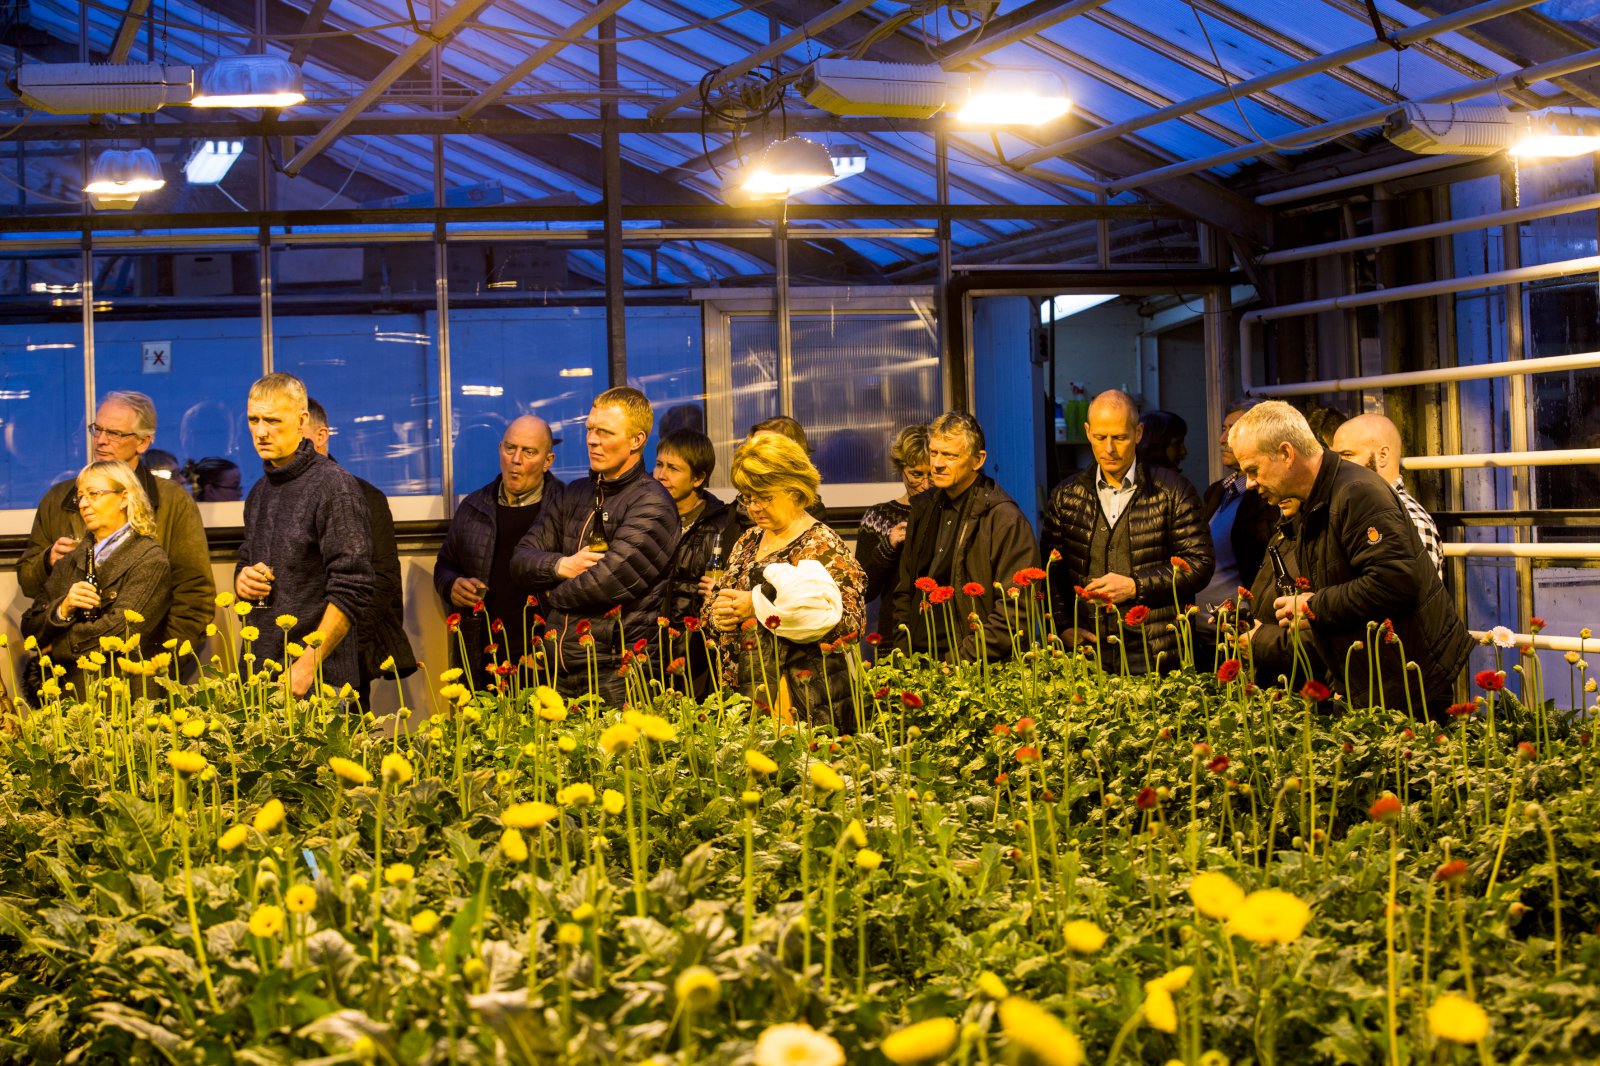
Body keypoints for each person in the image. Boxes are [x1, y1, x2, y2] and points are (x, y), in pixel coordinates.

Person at [1231, 401, 1472, 714]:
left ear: (1287, 454)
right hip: (1372, 684)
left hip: (1408, 690)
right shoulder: (1315, 501)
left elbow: (1396, 581)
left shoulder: (1357, 493)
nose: (1249, 483)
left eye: (1253, 470)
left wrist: (1311, 606)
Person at [512, 387, 679, 705]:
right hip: (559, 669)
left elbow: (603, 583)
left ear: (636, 440)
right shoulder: (573, 493)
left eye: (605, 432)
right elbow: (520, 560)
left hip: (618, 672)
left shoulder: (652, 502)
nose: (592, 440)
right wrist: (561, 566)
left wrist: (549, 593)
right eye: (590, 429)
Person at [18, 391, 213, 659]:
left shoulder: (171, 501)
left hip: (142, 665)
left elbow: (194, 595)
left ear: (143, 442)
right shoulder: (58, 500)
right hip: (70, 675)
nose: (100, 440)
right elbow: (29, 587)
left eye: (115, 434)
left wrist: (160, 661)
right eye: (97, 429)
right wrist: (48, 562)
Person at [1041, 390, 1214, 673]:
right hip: (1087, 653)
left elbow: (1200, 564)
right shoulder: (1066, 496)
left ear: (1138, 433)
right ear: (1087, 432)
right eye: (1100, 437)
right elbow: (1051, 573)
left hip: (1156, 652)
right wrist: (1062, 626)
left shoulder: (1173, 491)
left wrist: (1136, 585)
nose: (1109, 448)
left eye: (1119, 438)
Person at [708, 433, 865, 729]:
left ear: (794, 490)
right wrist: (718, 614)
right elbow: (718, 600)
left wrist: (757, 608)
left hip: (802, 706)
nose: (754, 508)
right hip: (744, 698)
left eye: (764, 497)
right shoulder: (749, 540)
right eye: (747, 497)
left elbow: (848, 624)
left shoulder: (821, 545)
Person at [235, 373, 374, 696]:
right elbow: (246, 559)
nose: (260, 431)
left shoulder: (334, 486)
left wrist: (308, 664)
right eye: (253, 420)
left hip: (317, 682)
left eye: (272, 420)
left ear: (301, 422)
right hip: (260, 677)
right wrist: (242, 579)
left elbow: (354, 586)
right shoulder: (260, 491)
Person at [888, 413, 1039, 661]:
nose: (936, 463)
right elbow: (905, 591)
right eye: (934, 452)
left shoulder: (1004, 519)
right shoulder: (922, 509)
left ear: (977, 460)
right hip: (918, 664)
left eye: (950, 455)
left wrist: (957, 662)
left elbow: (1015, 614)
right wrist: (905, 655)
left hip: (975, 669)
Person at [20, 460, 172, 700]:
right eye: (80, 496)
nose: (83, 504)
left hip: (125, 704)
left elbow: (121, 632)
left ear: (124, 497)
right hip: (69, 705)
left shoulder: (150, 559)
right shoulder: (69, 561)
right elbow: (30, 627)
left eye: (94, 494)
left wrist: (55, 648)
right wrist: (63, 608)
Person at [434, 415, 562, 689]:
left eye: (528, 452)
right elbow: (445, 565)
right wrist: (451, 585)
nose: (516, 459)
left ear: (548, 460)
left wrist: (551, 653)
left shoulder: (567, 508)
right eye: (510, 448)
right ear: (499, 449)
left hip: (543, 658)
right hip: (482, 656)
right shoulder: (474, 507)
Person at [306, 399, 417, 709]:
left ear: (321, 436)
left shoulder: (364, 496)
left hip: (346, 655)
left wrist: (344, 649)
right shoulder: (271, 497)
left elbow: (381, 582)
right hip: (289, 654)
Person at [1194, 402, 1278, 655]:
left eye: (1232, 430)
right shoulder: (1218, 491)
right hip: (1203, 638)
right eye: (1223, 429)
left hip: (1244, 639)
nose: (1221, 439)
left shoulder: (1269, 497)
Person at [653, 428, 732, 694]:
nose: (662, 475)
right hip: (648, 651)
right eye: (659, 465)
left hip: (698, 661)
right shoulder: (644, 516)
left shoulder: (723, 525)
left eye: (673, 468)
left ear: (697, 478)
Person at [1330, 413, 1444, 578]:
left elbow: (1418, 598)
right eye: (1336, 457)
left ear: (1382, 456)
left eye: (1347, 455)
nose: (1338, 465)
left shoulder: (1412, 520)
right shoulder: (1359, 510)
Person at [856, 424, 930, 649]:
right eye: (916, 474)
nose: (925, 484)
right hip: (893, 635)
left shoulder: (951, 513)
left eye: (933, 474)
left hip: (943, 635)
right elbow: (862, 589)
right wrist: (888, 546)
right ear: (901, 469)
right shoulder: (879, 517)